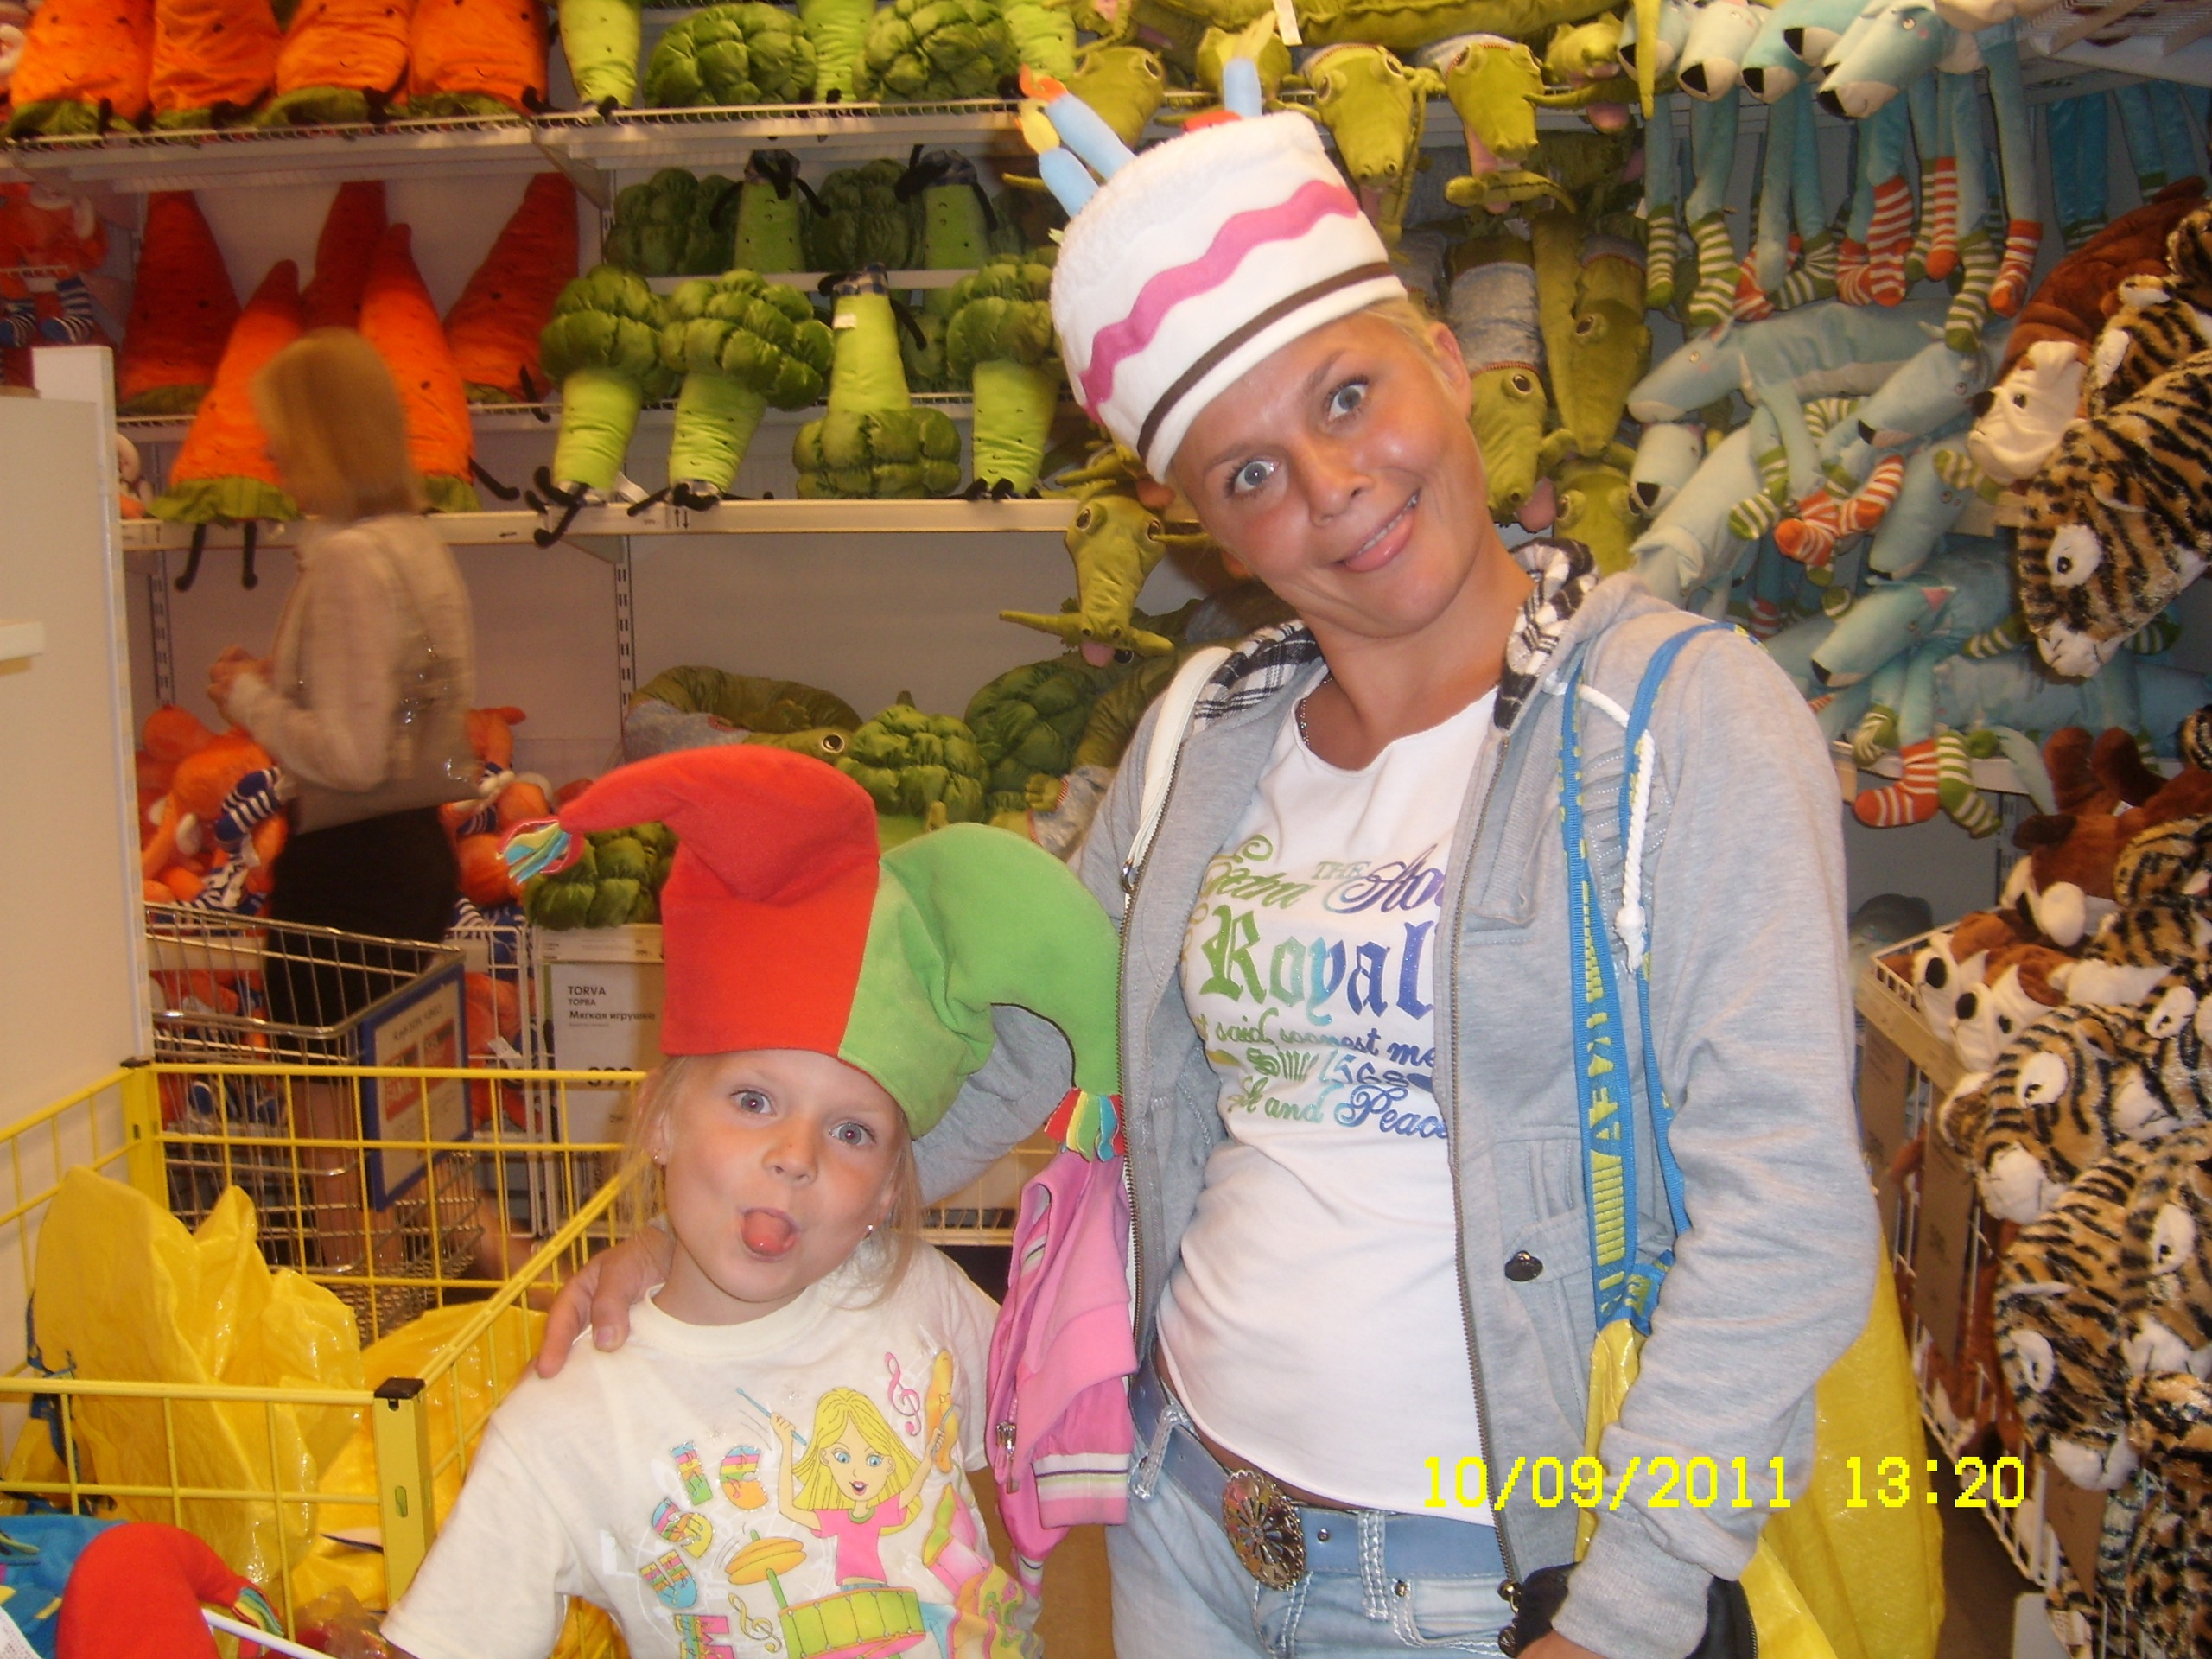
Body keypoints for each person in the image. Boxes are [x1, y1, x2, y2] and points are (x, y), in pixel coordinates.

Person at [542, 107, 1880, 1659]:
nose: (1333, 484)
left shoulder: (1676, 722)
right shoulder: (1204, 729)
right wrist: (728, 1241)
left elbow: (1786, 1209)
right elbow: (1034, 1045)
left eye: (1350, 395)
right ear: (1208, 530)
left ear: (1450, 364)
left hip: (1495, 1580)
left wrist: (1634, 1603)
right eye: (1251, 471)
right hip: (1185, 1522)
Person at [383, 744, 1126, 1659]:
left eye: (851, 1131)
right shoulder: (566, 1422)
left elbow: (1052, 1433)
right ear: (658, 1121)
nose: (795, 1158)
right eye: (753, 1101)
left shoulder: (917, 1296)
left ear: (892, 1186)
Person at [207, 327, 475, 1028]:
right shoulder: (415, 539)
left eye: (281, 431)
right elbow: (401, 687)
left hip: (350, 871)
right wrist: (285, 678)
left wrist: (247, 698)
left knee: (327, 1086)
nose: (271, 452)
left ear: (320, 436)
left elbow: (353, 758)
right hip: (415, 855)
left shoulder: (347, 559)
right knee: (396, 1082)